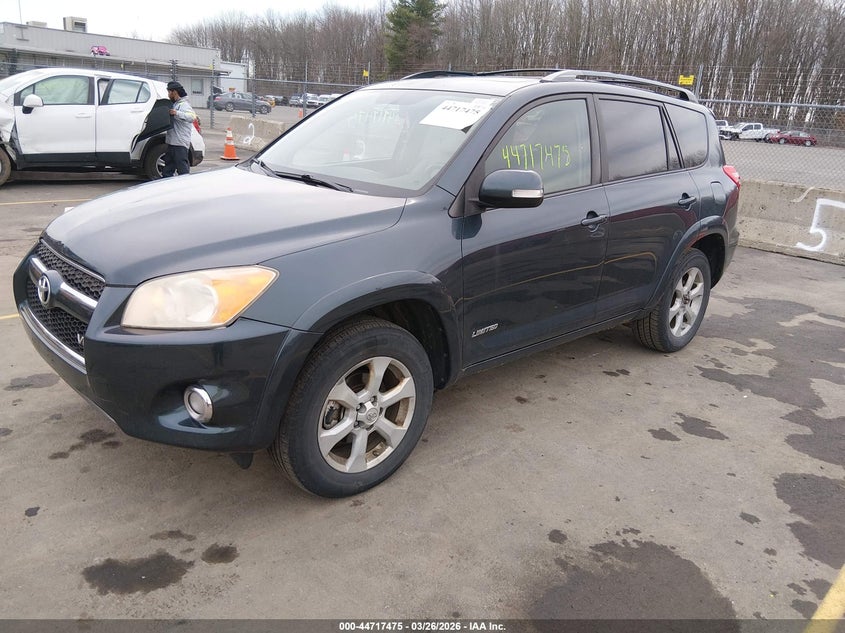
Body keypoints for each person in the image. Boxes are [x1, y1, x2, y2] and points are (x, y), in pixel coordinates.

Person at [163, 81, 197, 177]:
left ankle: (185, 188)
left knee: (182, 170)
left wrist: (176, 113)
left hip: (180, 144)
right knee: (168, 169)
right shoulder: (175, 104)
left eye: (169, 92)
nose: (168, 95)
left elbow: (192, 117)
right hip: (172, 142)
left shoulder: (184, 105)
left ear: (175, 92)